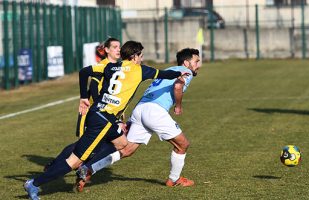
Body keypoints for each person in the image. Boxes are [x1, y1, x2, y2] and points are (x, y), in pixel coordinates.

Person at [23, 41, 189, 200]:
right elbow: (164, 74)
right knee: (74, 161)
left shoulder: (110, 66)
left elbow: (84, 72)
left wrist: (83, 97)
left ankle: (87, 167)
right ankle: (35, 184)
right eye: (141, 56)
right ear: (134, 56)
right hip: (102, 119)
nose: (142, 59)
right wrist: (179, 73)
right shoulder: (140, 70)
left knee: (122, 143)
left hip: (101, 115)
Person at [75, 48, 201, 191]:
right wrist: (178, 106)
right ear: (186, 63)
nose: (198, 65)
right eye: (196, 61)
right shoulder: (185, 71)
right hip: (154, 111)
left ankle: (88, 169)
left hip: (140, 109)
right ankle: (174, 179)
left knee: (128, 150)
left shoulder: (169, 69)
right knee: (182, 144)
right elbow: (178, 86)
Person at [42, 38, 122, 173]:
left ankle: (83, 168)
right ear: (107, 50)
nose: (118, 49)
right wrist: (99, 106)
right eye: (114, 47)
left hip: (106, 113)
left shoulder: (119, 67)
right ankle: (54, 166)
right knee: (81, 145)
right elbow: (94, 87)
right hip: (92, 111)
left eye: (119, 47)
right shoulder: (103, 65)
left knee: (102, 143)